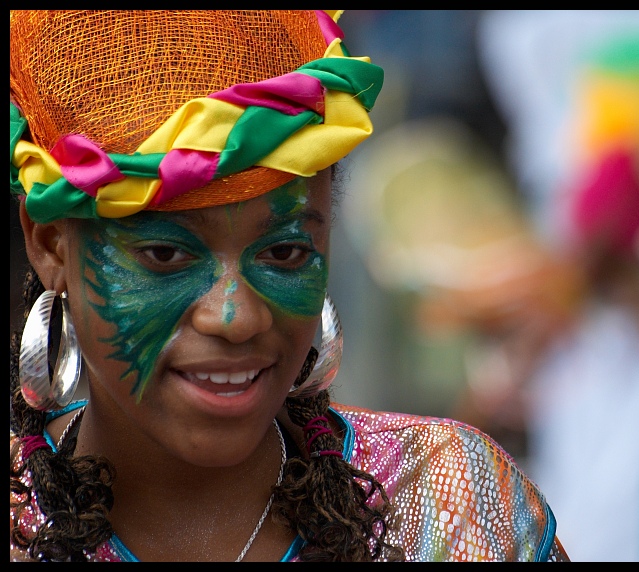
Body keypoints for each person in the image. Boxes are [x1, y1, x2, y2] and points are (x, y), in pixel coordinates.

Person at [9, 11, 569, 562]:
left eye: (283, 251)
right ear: (50, 245)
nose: (235, 317)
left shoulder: (453, 503)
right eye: (165, 254)